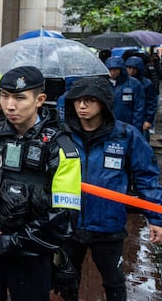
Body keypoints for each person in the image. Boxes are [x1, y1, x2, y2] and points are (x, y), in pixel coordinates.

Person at [0, 65, 82, 301]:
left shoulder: (59, 148)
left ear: (40, 99)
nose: (9, 105)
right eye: (4, 96)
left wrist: (7, 243)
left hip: (31, 259)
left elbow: (64, 217)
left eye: (20, 97)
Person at [60, 76, 162, 300]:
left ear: (104, 102)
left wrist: (155, 219)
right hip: (69, 224)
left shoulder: (126, 135)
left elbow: (147, 176)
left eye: (89, 100)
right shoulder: (62, 135)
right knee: (67, 279)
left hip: (108, 226)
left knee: (114, 281)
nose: (82, 105)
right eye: (77, 100)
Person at [105, 56, 146, 131]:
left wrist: (136, 128)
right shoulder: (102, 84)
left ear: (121, 69)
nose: (112, 72)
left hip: (127, 124)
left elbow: (139, 107)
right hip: (106, 125)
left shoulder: (134, 84)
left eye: (115, 69)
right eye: (109, 69)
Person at [125, 56, 157, 141]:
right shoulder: (123, 83)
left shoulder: (147, 84)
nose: (131, 71)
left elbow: (151, 103)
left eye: (134, 69)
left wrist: (148, 120)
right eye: (129, 68)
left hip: (142, 119)